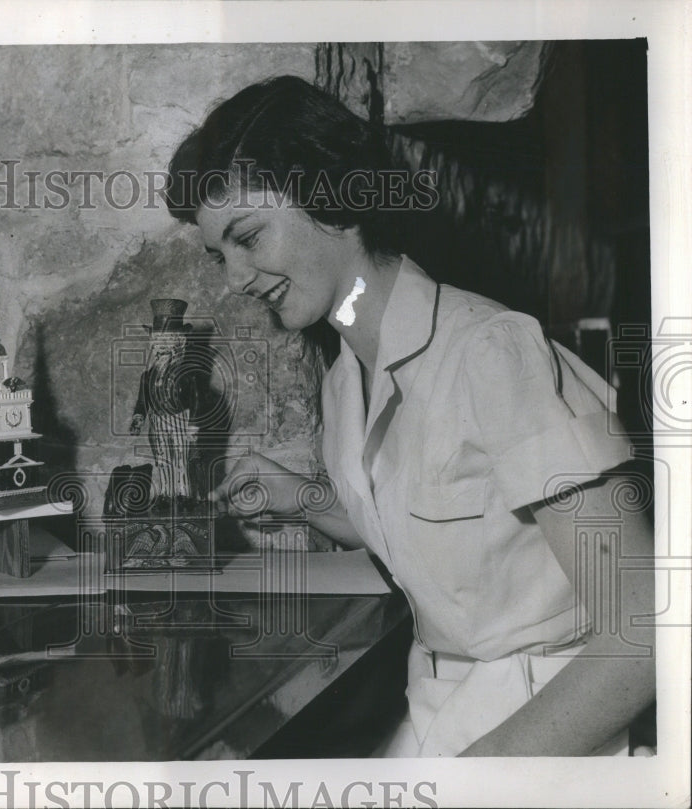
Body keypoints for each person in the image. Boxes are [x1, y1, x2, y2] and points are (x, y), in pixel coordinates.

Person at [164, 75, 655, 757]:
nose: (235, 278)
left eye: (248, 237)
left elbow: (647, 630)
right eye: (220, 254)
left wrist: (488, 768)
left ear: (329, 196)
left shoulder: (491, 354)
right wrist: (302, 497)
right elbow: (434, 524)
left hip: (545, 733)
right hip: (434, 712)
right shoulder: (346, 377)